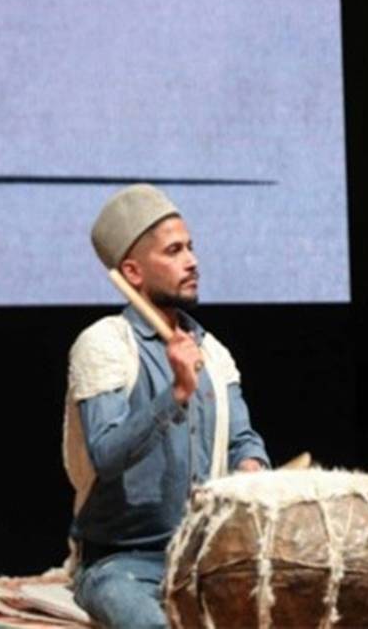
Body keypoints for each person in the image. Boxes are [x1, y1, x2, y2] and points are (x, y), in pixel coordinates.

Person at [62, 184, 270, 628]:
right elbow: (106, 455)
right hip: (122, 564)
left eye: (190, 247)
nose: (192, 261)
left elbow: (242, 440)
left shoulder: (212, 352)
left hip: (206, 559)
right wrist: (175, 392)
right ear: (133, 272)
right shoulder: (105, 343)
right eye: (174, 251)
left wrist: (250, 467)